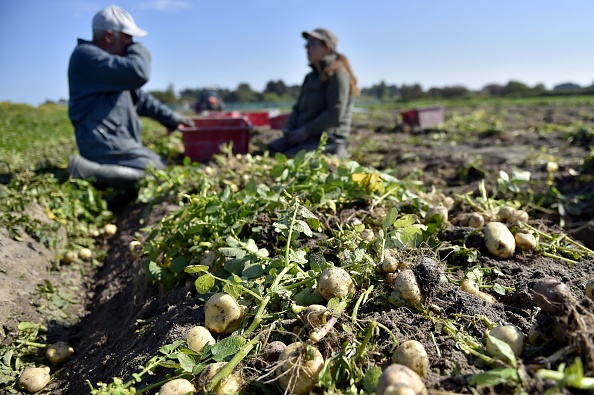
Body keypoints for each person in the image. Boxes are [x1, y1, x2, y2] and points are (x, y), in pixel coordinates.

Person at [67, 5, 193, 189]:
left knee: (161, 166)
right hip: (101, 140)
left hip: (115, 139)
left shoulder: (112, 67)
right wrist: (137, 48)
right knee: (156, 173)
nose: (131, 43)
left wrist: (173, 120)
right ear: (109, 36)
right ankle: (88, 171)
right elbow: (139, 72)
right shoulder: (87, 57)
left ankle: (104, 175)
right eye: (128, 37)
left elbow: (141, 100)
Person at [267, 28, 359, 159]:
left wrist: (305, 131)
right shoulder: (310, 78)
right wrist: (289, 127)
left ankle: (336, 154)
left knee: (293, 158)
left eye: (312, 43)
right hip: (305, 136)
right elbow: (298, 108)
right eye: (306, 44)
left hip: (328, 138)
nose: (307, 48)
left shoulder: (338, 74)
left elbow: (335, 112)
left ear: (327, 47)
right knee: (272, 150)